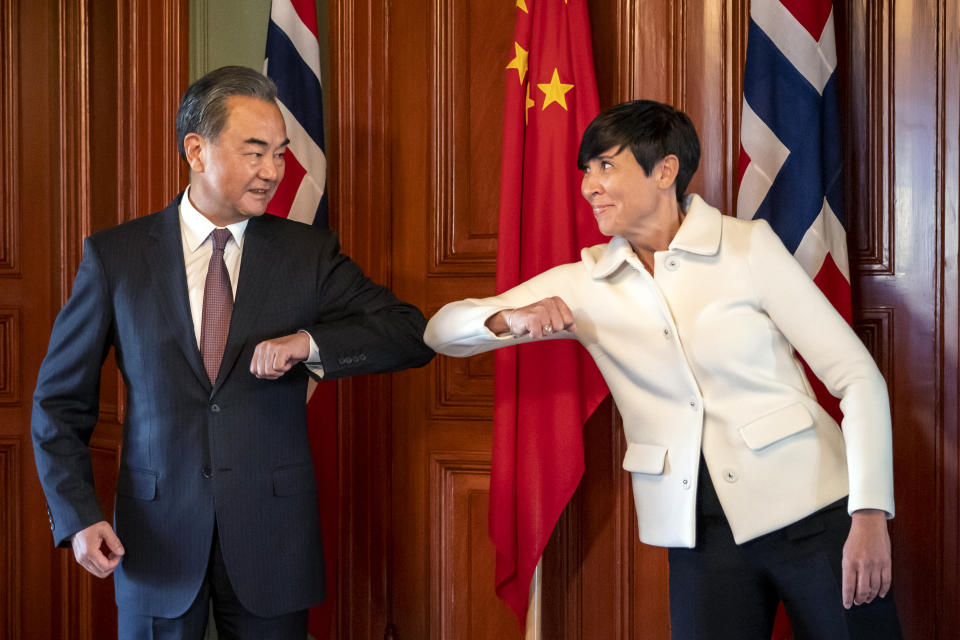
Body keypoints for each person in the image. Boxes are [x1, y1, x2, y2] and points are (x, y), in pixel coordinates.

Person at [424, 100, 902, 639]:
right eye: (586, 170)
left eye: (606, 165)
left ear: (665, 171)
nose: (589, 186)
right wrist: (510, 317)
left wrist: (868, 516)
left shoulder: (747, 248)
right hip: (698, 534)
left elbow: (857, 377)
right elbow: (440, 331)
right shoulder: (585, 281)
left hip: (817, 513)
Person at [32, 66, 434, 639]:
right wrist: (78, 517)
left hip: (273, 543)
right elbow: (57, 405)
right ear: (196, 149)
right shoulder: (115, 257)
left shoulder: (307, 253)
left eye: (280, 153)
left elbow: (408, 333)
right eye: (255, 152)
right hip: (153, 541)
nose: (273, 172)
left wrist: (309, 343)